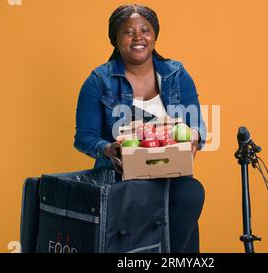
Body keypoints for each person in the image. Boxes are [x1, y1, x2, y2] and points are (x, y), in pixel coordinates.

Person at [74, 4, 206, 253]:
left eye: (145, 30)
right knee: (182, 199)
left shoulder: (176, 74)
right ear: (115, 38)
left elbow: (196, 122)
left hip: (171, 174)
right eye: (128, 32)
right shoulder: (98, 81)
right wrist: (109, 149)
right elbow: (84, 137)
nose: (138, 37)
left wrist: (195, 136)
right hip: (121, 179)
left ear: (155, 35)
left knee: (191, 193)